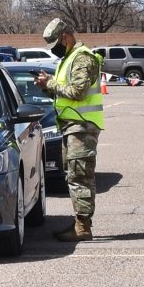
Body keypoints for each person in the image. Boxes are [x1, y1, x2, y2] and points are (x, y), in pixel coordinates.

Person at [36, 18, 105, 242]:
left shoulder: (82, 58)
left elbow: (77, 92)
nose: (53, 49)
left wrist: (51, 84)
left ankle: (83, 227)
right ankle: (80, 222)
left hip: (82, 125)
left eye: (55, 43)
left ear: (65, 36)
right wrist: (47, 86)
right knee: (74, 175)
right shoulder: (69, 58)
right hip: (72, 125)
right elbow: (65, 93)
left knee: (80, 176)